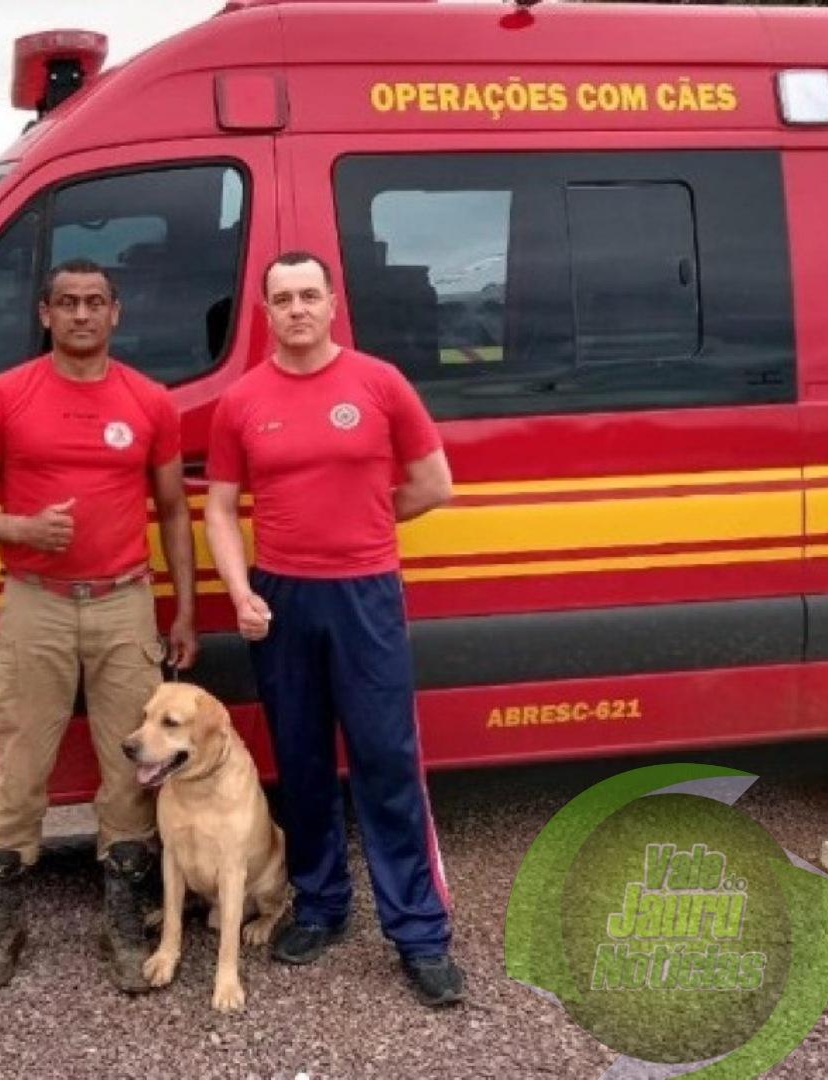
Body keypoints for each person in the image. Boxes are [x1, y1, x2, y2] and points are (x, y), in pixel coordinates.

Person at [203, 250, 465, 1007]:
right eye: (281, 298)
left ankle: (419, 933)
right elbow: (220, 506)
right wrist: (240, 588)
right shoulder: (242, 400)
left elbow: (432, 484)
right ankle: (320, 905)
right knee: (305, 760)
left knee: (386, 760)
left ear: (331, 303)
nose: (296, 309)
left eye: (308, 295)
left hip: (365, 593)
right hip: (283, 599)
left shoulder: (379, 383)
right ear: (264, 310)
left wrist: (370, 526)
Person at [0, 258, 197, 996]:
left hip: (124, 602)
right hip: (35, 600)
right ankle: (4, 919)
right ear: (45, 316)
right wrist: (23, 526)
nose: (81, 314)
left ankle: (121, 914)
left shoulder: (150, 401)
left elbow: (174, 510)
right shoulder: (4, 396)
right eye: (66, 303)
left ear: (115, 313)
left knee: (135, 764)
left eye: (94, 302)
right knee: (20, 762)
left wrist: (181, 609)